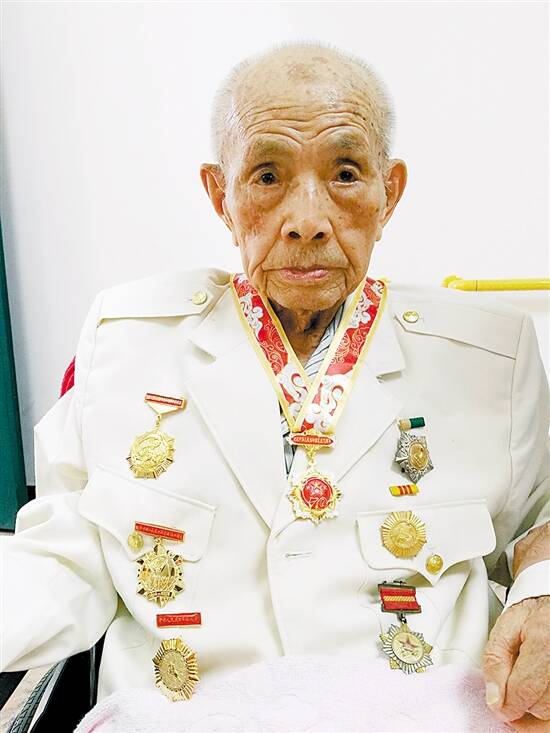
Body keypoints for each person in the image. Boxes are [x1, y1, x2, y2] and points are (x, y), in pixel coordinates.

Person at [1, 42, 549, 731]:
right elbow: (62, 558)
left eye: (345, 173)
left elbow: (540, 521)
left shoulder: (490, 356)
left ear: (390, 191)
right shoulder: (127, 344)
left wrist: (542, 593)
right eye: (267, 175)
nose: (308, 219)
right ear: (220, 196)